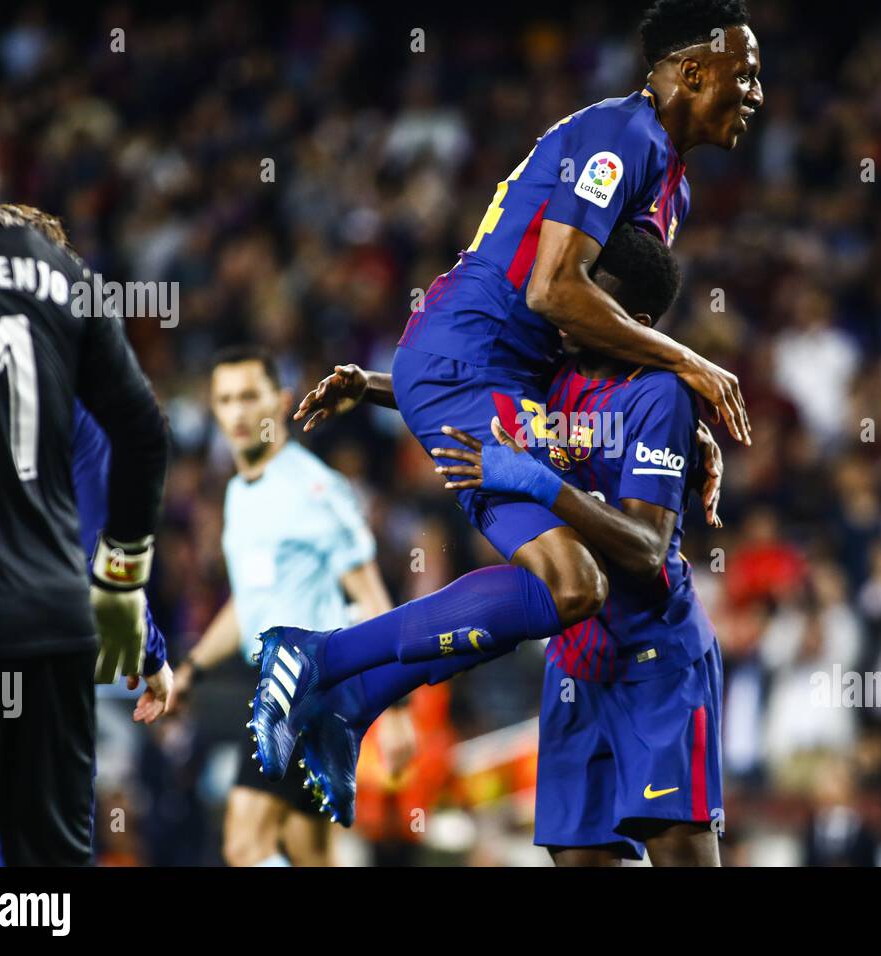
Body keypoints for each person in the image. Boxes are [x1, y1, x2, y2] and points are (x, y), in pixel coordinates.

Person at [252, 0, 758, 784]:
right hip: (474, 363)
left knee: (578, 582)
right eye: (744, 72)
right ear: (693, 70)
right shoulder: (623, 134)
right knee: (572, 583)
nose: (755, 92)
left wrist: (677, 415)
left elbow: (602, 329)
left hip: (499, 378)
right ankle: (318, 657)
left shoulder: (671, 188)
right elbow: (557, 292)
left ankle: (352, 704)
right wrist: (689, 364)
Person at [260, 224, 724, 865]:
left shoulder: (660, 398)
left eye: (592, 297)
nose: (566, 304)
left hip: (656, 664)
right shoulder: (555, 368)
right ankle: (346, 694)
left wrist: (539, 482)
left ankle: (335, 677)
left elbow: (646, 549)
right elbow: (482, 404)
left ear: (635, 322)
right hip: (576, 664)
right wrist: (371, 385)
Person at [0, 36, 169, 865]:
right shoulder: (53, 263)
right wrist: (124, 592)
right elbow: (142, 427)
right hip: (60, 628)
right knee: (47, 889)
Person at [171, 345, 411, 866]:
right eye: (226, 400)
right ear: (213, 409)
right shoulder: (238, 493)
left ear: (279, 402)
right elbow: (250, 603)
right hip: (280, 686)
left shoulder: (314, 488)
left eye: (249, 397)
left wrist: (396, 711)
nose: (238, 413)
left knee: (245, 844)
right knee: (309, 854)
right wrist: (191, 668)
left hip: (307, 686)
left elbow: (369, 595)